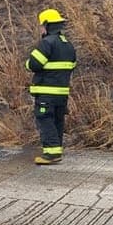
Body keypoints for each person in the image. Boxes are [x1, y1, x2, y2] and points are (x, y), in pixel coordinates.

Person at [25, 9, 77, 165]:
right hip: (62, 93)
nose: (40, 28)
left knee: (45, 119)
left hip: (46, 93)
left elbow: (33, 64)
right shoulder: (68, 45)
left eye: (42, 25)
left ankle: (51, 154)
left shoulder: (47, 43)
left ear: (47, 25)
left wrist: (28, 64)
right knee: (57, 121)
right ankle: (56, 149)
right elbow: (72, 65)